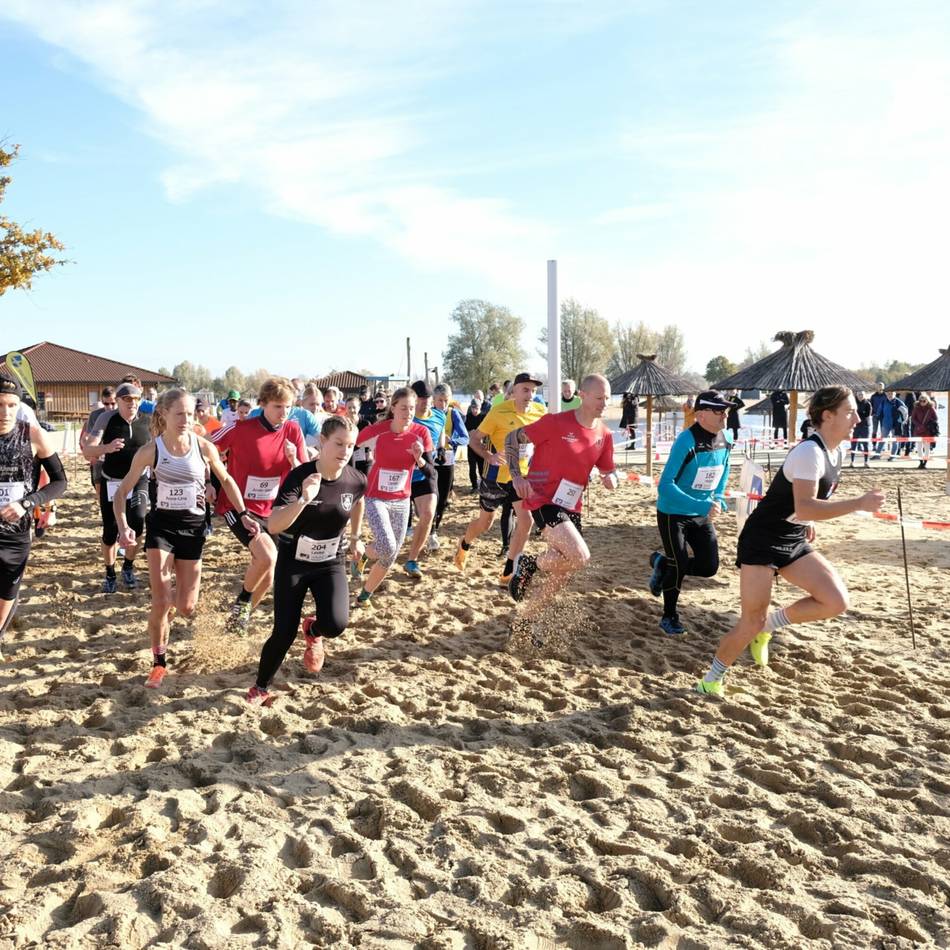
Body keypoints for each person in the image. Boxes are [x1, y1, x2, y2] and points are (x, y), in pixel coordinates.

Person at [695, 386, 885, 697]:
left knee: (835, 601)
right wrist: (858, 503)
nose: (857, 418)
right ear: (827, 415)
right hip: (762, 540)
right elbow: (805, 505)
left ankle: (769, 627)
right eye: (850, 412)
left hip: (793, 538)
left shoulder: (837, 451)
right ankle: (710, 680)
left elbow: (806, 508)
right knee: (750, 621)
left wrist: (807, 523)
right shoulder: (809, 451)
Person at [114, 389, 249, 688]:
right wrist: (124, 526)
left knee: (186, 607)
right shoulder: (151, 451)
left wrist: (244, 514)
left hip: (193, 529)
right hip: (162, 528)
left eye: (190, 413)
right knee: (161, 601)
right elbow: (122, 492)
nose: (186, 419)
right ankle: (159, 662)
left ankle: (166, 615)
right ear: (163, 414)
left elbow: (226, 480)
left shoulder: (203, 447)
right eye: (179, 414)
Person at [246, 416, 367, 705]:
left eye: (350, 446)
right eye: (338, 444)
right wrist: (303, 499)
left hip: (330, 561)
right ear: (322, 442)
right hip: (294, 561)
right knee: (284, 632)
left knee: (336, 624)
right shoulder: (300, 477)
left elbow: (359, 500)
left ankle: (313, 629)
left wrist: (356, 537)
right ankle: (260, 687)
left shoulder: (355, 478)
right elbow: (274, 525)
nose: (344, 451)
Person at [506, 375, 619, 603]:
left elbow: (609, 470)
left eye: (607, 398)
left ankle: (527, 620)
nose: (604, 403)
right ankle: (530, 564)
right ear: (582, 396)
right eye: (599, 398)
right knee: (580, 557)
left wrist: (612, 480)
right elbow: (512, 439)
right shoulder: (555, 423)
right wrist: (517, 476)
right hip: (543, 499)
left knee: (564, 570)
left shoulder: (604, 434)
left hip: (572, 504)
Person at [210, 378, 307, 632]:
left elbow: (305, 473)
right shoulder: (241, 428)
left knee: (269, 569)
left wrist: (293, 458)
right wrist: (209, 482)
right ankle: (242, 601)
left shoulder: (293, 431)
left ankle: (239, 619)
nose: (283, 413)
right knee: (267, 556)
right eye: (278, 406)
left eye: (288, 407)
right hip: (238, 506)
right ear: (262, 404)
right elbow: (206, 447)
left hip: (272, 509)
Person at [647, 391, 733, 635]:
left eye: (726, 410)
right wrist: (701, 505)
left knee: (709, 567)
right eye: (719, 411)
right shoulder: (687, 440)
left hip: (701, 512)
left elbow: (723, 470)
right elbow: (665, 485)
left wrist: (717, 498)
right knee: (680, 562)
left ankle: (662, 563)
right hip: (673, 513)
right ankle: (669, 616)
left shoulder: (726, 437)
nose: (725, 415)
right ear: (702, 415)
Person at [454, 373, 546, 586]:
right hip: (495, 477)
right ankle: (465, 542)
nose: (530, 395)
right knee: (485, 523)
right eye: (525, 390)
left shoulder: (541, 412)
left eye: (533, 390)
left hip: (521, 477)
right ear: (513, 392)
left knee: (526, 521)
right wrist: (489, 456)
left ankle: (509, 570)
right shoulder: (498, 412)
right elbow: (473, 439)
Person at [0, 376, 68, 661]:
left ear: (19, 407)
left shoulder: (33, 435)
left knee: (6, 593)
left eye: (11, 406)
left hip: (16, 531)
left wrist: (28, 503)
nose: (5, 412)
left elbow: (60, 482)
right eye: (0, 405)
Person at [351, 387, 434, 610]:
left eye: (411, 408)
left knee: (390, 554)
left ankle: (364, 594)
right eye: (403, 407)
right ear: (393, 407)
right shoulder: (378, 431)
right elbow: (352, 445)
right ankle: (362, 558)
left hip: (402, 500)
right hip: (376, 497)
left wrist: (419, 459)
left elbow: (431, 473)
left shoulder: (421, 433)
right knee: (387, 545)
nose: (408, 412)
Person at [83, 381, 152, 592]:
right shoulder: (107, 419)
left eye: (136, 399)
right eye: (127, 399)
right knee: (110, 530)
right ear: (119, 401)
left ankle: (128, 567)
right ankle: (110, 572)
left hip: (139, 479)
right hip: (112, 480)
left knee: (138, 522)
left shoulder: (147, 421)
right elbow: (88, 451)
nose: (132, 403)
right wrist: (108, 447)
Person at [403, 381, 446, 570]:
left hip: (425, 474)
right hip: (402, 476)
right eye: (421, 398)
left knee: (428, 514)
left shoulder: (439, 416)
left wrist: (442, 447)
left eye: (428, 398)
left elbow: (441, 431)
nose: (425, 402)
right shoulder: (406, 418)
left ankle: (412, 559)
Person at [431, 383, 469, 546]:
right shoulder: (428, 413)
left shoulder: (453, 414)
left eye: (446, 400)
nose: (443, 404)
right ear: (433, 399)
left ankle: (434, 529)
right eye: (440, 400)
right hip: (429, 458)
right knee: (430, 495)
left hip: (447, 459)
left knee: (443, 498)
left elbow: (465, 437)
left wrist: (451, 440)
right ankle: (428, 528)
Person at [80, 386, 117, 488]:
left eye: (113, 403)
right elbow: (84, 438)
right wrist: (91, 454)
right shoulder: (95, 415)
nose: (110, 407)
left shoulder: (121, 414)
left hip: (117, 456)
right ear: (102, 402)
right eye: (106, 404)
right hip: (99, 456)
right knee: (98, 486)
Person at [465, 391, 489, 490]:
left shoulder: (484, 417)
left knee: (482, 468)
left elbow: (488, 431)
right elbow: (465, 431)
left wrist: (481, 437)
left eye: (477, 408)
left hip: (481, 446)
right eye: (473, 408)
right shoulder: (468, 417)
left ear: (480, 408)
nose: (475, 410)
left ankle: (483, 485)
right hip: (471, 446)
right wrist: (470, 432)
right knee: (472, 468)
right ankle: (474, 486)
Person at [346, 397, 373, 476]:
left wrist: (370, 451)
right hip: (349, 457)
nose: (351, 410)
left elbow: (370, 440)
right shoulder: (343, 424)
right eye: (349, 407)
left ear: (359, 408)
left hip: (364, 456)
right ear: (346, 409)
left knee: (365, 481)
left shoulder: (366, 423)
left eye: (354, 407)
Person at [911, 394, 939, 469]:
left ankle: (925, 463)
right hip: (919, 430)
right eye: (920, 401)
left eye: (924, 401)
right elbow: (913, 418)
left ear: (927, 400)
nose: (922, 402)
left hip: (927, 430)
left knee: (927, 447)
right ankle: (921, 462)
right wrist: (919, 425)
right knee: (919, 447)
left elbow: (936, 418)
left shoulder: (931, 408)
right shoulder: (916, 408)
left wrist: (929, 424)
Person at [849, 390, 872, 467]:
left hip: (865, 425)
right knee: (853, 444)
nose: (860, 396)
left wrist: (859, 414)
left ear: (864, 395)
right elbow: (852, 413)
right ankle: (852, 461)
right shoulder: (854, 403)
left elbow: (868, 414)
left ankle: (866, 462)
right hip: (855, 426)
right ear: (856, 395)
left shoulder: (867, 403)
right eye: (859, 394)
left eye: (862, 394)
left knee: (866, 444)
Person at [870, 382, 888, 456]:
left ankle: (882, 446)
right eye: (878, 386)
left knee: (883, 431)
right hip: (875, 415)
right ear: (876, 387)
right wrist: (872, 413)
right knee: (874, 431)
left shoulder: (885, 395)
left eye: (881, 386)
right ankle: (874, 445)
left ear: (883, 387)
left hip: (883, 415)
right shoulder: (873, 396)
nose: (880, 388)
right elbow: (871, 405)